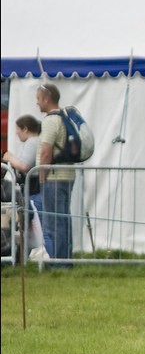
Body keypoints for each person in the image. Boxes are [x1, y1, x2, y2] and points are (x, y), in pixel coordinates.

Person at [35, 83, 77, 267]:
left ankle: (60, 264)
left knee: (54, 223)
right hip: (65, 176)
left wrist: (41, 175)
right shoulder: (63, 118)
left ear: (46, 98)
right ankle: (65, 261)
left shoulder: (51, 121)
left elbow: (46, 152)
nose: (37, 104)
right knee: (63, 221)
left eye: (38, 99)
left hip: (54, 177)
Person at [2, 115, 43, 251]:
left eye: (17, 129)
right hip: (33, 191)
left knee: (24, 220)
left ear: (25, 129)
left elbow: (25, 166)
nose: (16, 133)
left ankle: (18, 253)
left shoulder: (32, 142)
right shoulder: (35, 141)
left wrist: (10, 158)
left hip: (33, 192)